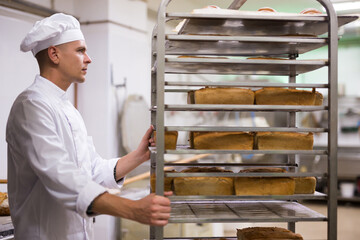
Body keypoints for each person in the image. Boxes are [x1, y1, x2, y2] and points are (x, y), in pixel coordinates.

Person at [6, 13, 171, 240]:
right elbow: (61, 178)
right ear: (54, 54)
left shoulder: (68, 110)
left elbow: (91, 172)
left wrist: (138, 156)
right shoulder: (31, 106)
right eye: (80, 50)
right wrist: (132, 209)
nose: (89, 59)